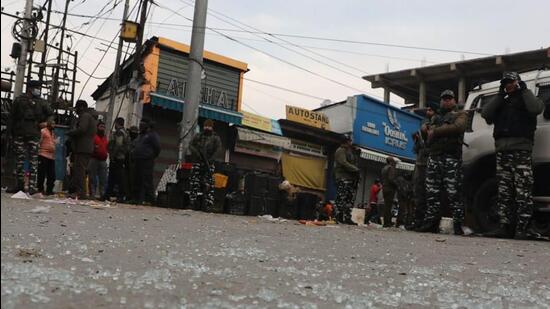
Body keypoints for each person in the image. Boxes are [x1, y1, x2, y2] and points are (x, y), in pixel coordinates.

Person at [481, 72, 544, 239]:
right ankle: (504, 226)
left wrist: (523, 89)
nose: (508, 84)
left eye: (511, 82)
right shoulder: (502, 100)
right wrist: (500, 94)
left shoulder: (526, 97)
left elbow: (536, 108)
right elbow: (486, 114)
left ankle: (523, 229)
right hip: (503, 152)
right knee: (504, 192)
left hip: (521, 151)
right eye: (506, 82)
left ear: (517, 82)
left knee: (523, 191)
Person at [417, 90, 467, 235]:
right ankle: (431, 224)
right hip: (434, 157)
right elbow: (427, 131)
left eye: (449, 99)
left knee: (454, 193)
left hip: (451, 158)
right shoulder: (435, 117)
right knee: (432, 192)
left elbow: (458, 127)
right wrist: (426, 130)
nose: (446, 101)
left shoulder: (460, 114)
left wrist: (436, 131)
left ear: (454, 101)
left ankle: (458, 225)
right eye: (444, 99)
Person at [7, 80, 53, 194]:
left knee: (33, 162)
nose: (39, 90)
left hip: (34, 133)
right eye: (37, 87)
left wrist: (47, 123)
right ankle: (20, 186)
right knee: (20, 162)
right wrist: (9, 134)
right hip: (20, 133)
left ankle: (32, 187)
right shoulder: (19, 100)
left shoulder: (42, 102)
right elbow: (11, 117)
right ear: (30, 89)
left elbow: (51, 114)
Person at [186, 119, 222, 211]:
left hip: (209, 163)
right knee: (194, 182)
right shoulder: (198, 136)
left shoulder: (215, 138)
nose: (207, 128)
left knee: (209, 185)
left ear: (212, 127)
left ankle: (208, 205)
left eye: (209, 126)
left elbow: (218, 150)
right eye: (206, 126)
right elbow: (191, 145)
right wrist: (197, 154)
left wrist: (210, 160)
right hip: (198, 162)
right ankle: (192, 203)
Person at [66, 100, 96, 199]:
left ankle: (81, 193)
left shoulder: (85, 116)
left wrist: (71, 132)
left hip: (83, 148)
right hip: (83, 148)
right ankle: (77, 190)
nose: (76, 110)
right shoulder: (88, 117)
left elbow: (82, 129)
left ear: (82, 107)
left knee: (80, 171)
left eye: (77, 107)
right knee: (79, 171)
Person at [412, 106, 435, 229]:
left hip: (430, 166)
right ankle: (418, 221)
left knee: (429, 195)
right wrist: (416, 140)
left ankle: (428, 222)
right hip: (420, 165)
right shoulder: (420, 134)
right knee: (418, 194)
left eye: (431, 110)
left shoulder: (437, 125)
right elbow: (415, 150)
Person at [131, 118, 160, 205]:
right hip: (138, 160)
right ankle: (136, 199)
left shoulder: (152, 135)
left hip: (146, 161)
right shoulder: (141, 135)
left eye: (142, 124)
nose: (140, 126)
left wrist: (150, 156)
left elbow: (157, 148)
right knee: (137, 179)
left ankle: (150, 200)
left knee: (146, 180)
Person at [333, 135, 360, 225]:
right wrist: (355, 169)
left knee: (349, 199)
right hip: (342, 177)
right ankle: (338, 216)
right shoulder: (340, 150)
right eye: (349, 141)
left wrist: (356, 153)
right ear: (346, 141)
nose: (351, 142)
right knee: (341, 198)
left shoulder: (350, 151)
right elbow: (343, 163)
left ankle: (347, 217)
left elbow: (353, 163)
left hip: (350, 178)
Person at [102, 117, 129, 202]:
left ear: (117, 123)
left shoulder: (120, 132)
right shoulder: (124, 132)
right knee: (113, 177)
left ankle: (120, 195)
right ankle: (107, 195)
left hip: (118, 158)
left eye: (115, 124)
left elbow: (118, 144)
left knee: (118, 177)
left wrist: (113, 155)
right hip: (119, 157)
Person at [88, 121, 108, 199]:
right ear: (97, 127)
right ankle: (92, 194)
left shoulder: (105, 137)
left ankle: (102, 194)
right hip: (94, 159)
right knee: (92, 178)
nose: (102, 128)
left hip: (103, 160)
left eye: (103, 127)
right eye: (101, 127)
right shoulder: (94, 136)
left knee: (103, 179)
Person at [37, 120, 57, 196]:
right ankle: (40, 189)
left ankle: (49, 190)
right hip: (43, 154)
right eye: (52, 124)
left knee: (52, 174)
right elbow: (39, 141)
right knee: (41, 173)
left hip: (51, 156)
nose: (53, 125)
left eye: (54, 124)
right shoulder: (43, 131)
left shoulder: (52, 133)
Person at [381, 156, 398, 227]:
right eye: (393, 161)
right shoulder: (391, 168)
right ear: (391, 162)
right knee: (388, 206)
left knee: (386, 206)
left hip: (384, 187)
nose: (394, 163)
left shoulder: (384, 168)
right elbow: (391, 179)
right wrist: (397, 185)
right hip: (390, 188)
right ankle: (387, 222)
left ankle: (387, 222)